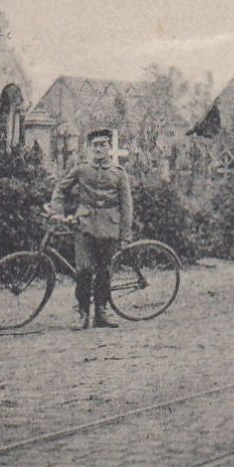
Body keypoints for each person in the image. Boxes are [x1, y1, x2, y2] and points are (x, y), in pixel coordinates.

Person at [51, 128, 133, 329]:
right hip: (85, 226)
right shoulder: (81, 170)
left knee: (105, 271)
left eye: (102, 145)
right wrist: (57, 211)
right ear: (90, 148)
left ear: (108, 148)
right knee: (84, 270)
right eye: (95, 145)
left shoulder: (119, 174)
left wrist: (125, 235)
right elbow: (61, 189)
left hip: (110, 227)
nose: (98, 149)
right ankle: (83, 313)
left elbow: (126, 205)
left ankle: (101, 313)